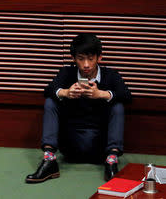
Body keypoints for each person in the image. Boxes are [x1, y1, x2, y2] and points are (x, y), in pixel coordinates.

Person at [25, 33, 131, 183]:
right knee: (51, 101)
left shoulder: (110, 75)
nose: (86, 64)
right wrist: (66, 92)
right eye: (81, 59)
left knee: (118, 105)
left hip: (101, 148)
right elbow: (48, 90)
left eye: (91, 58)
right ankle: (49, 160)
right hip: (70, 144)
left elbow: (127, 96)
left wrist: (101, 94)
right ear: (73, 59)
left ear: (99, 58)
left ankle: (112, 162)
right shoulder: (67, 73)